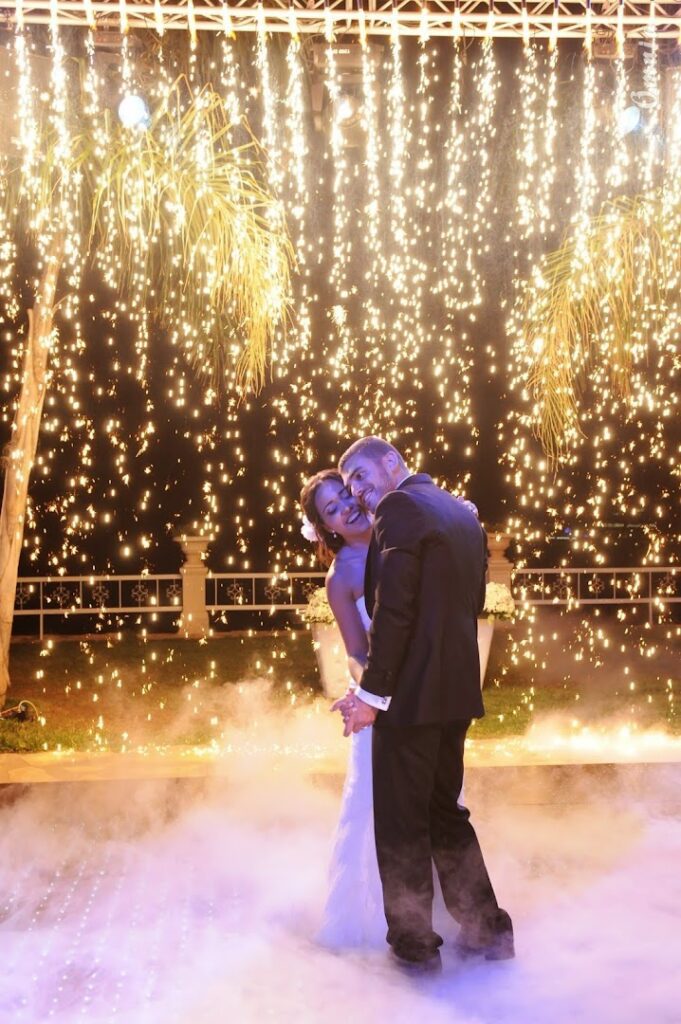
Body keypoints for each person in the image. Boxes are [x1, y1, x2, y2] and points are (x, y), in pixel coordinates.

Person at [335, 436, 514, 974]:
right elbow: (473, 601)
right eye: (350, 489)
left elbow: (395, 609)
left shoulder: (400, 506)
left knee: (402, 822)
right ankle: (488, 932)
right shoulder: (462, 513)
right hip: (457, 693)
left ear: (392, 462)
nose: (361, 494)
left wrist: (371, 695)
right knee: (444, 813)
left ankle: (415, 950)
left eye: (362, 477)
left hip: (409, 699)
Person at [299, 469, 384, 946]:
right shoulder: (342, 576)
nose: (346, 508)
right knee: (371, 809)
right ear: (327, 527)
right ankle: (371, 925)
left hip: (429, 701)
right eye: (332, 509)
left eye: (346, 496)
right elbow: (356, 651)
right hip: (379, 704)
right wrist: (369, 690)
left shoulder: (401, 534)